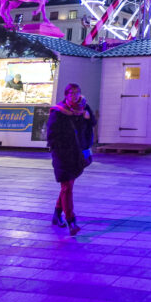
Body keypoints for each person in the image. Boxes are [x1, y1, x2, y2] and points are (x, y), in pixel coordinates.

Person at [46, 83, 95, 236]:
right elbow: (51, 135)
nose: (74, 95)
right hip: (63, 154)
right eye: (71, 93)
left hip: (78, 153)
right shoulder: (59, 111)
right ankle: (71, 220)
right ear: (66, 95)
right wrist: (60, 149)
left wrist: (88, 117)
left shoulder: (84, 107)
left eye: (77, 92)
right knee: (67, 186)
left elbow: (92, 124)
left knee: (67, 186)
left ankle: (56, 215)